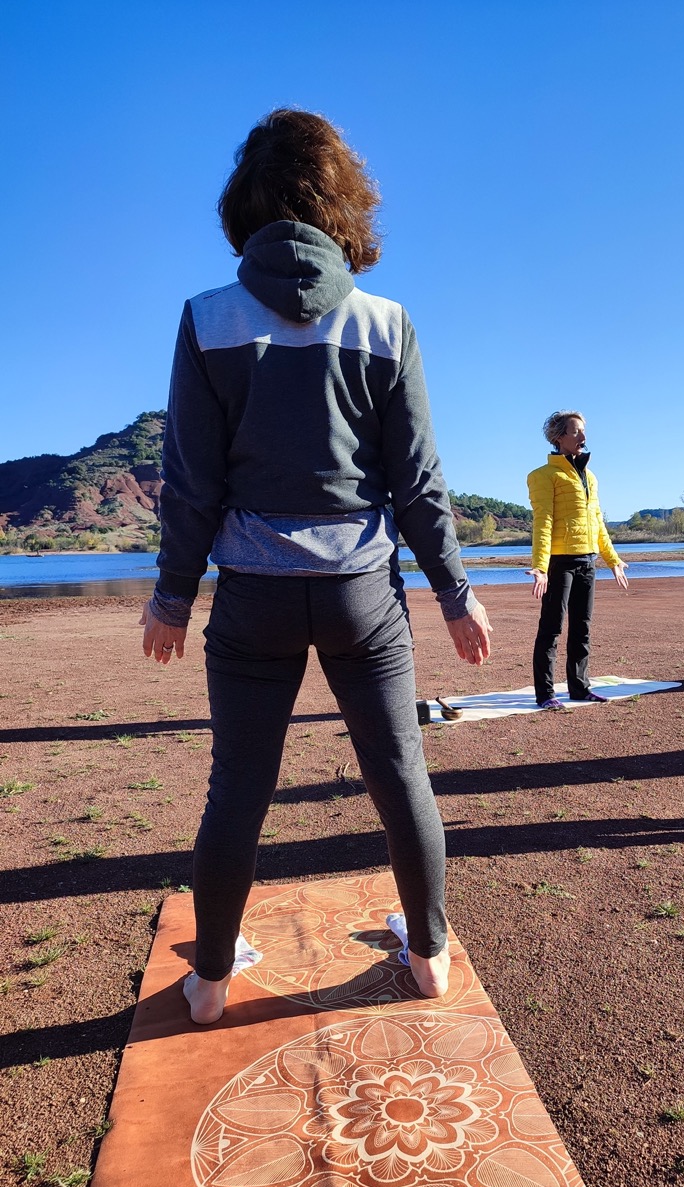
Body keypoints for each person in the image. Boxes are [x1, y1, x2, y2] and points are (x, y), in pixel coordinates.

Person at [140, 109, 492, 1023]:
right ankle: (428, 954)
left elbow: (192, 481)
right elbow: (417, 482)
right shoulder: (386, 321)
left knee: (238, 786)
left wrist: (173, 596)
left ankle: (211, 981)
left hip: (252, 596)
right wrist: (456, 593)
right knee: (399, 771)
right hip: (360, 595)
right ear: (346, 203)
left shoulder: (206, 319)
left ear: (245, 201)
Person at [526, 411, 628, 710]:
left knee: (582, 627)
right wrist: (541, 567)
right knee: (552, 629)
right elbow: (542, 521)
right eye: (576, 432)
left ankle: (580, 688)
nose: (583, 438)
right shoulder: (543, 476)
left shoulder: (590, 476)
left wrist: (613, 560)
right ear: (559, 437)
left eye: (583, 432)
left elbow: (597, 521)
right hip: (559, 563)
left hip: (587, 560)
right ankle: (545, 694)